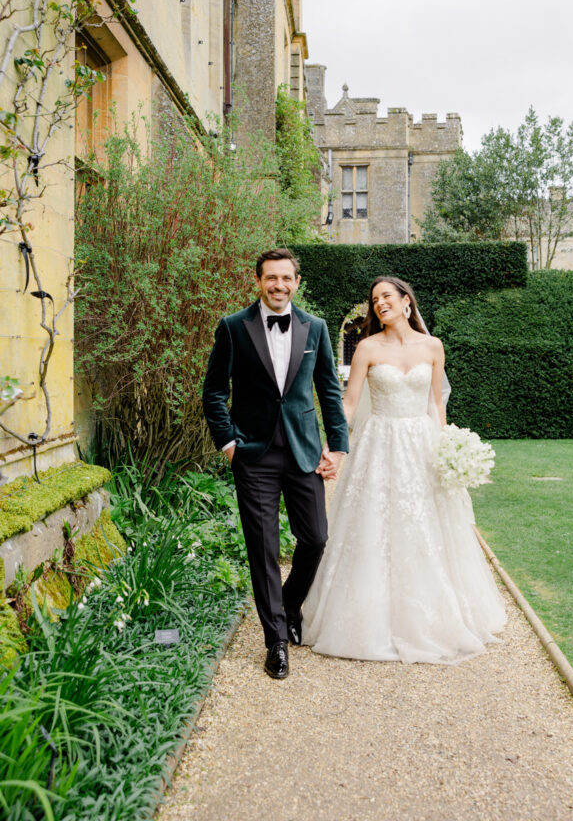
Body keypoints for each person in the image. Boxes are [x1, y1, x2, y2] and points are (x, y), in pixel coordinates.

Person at [303, 276, 506, 664]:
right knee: (373, 524)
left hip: (422, 444)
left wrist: (450, 447)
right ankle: (367, 618)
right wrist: (331, 444)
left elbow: (437, 405)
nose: (379, 304)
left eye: (386, 297)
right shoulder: (366, 348)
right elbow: (348, 403)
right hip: (378, 443)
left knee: (426, 524)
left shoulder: (433, 346)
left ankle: (434, 617)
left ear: (406, 301)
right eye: (374, 300)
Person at [203, 249, 349, 679]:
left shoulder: (316, 328)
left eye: (286, 278)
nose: (278, 285)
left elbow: (328, 390)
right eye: (271, 278)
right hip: (255, 454)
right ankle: (276, 642)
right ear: (258, 281)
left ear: (297, 282)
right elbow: (214, 391)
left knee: (316, 538)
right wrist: (229, 442)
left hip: (304, 451)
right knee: (262, 548)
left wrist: (336, 445)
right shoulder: (233, 327)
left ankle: (288, 606)